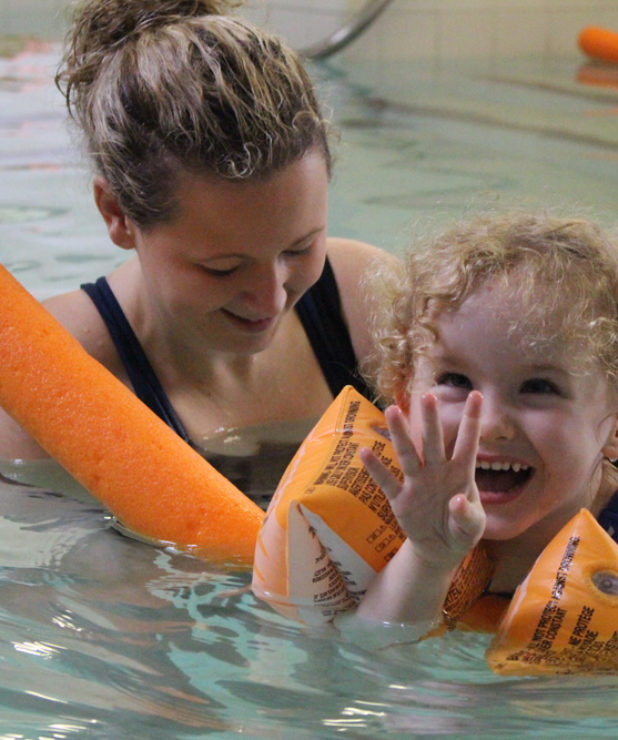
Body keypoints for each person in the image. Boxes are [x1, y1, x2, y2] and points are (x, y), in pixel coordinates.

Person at [0, 0, 390, 502]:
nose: (271, 298)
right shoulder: (52, 385)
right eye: (223, 267)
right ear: (117, 214)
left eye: (300, 247)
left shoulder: (367, 303)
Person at [350, 210, 618, 635]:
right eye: (455, 380)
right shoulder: (400, 502)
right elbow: (372, 655)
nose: (489, 425)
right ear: (405, 397)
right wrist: (429, 556)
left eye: (539, 387)